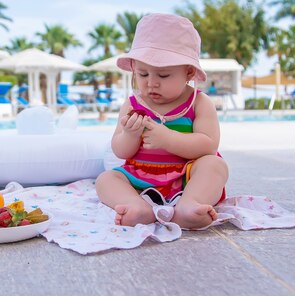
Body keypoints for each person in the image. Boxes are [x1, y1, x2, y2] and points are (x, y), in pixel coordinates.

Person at [95, 14, 228, 229]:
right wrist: (130, 135)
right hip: (140, 178)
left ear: (189, 72)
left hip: (187, 176)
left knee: (215, 165)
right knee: (106, 179)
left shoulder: (198, 102)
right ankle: (136, 207)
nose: (151, 83)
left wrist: (167, 138)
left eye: (163, 76)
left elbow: (209, 145)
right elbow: (121, 151)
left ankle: (190, 205)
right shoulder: (132, 104)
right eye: (143, 74)